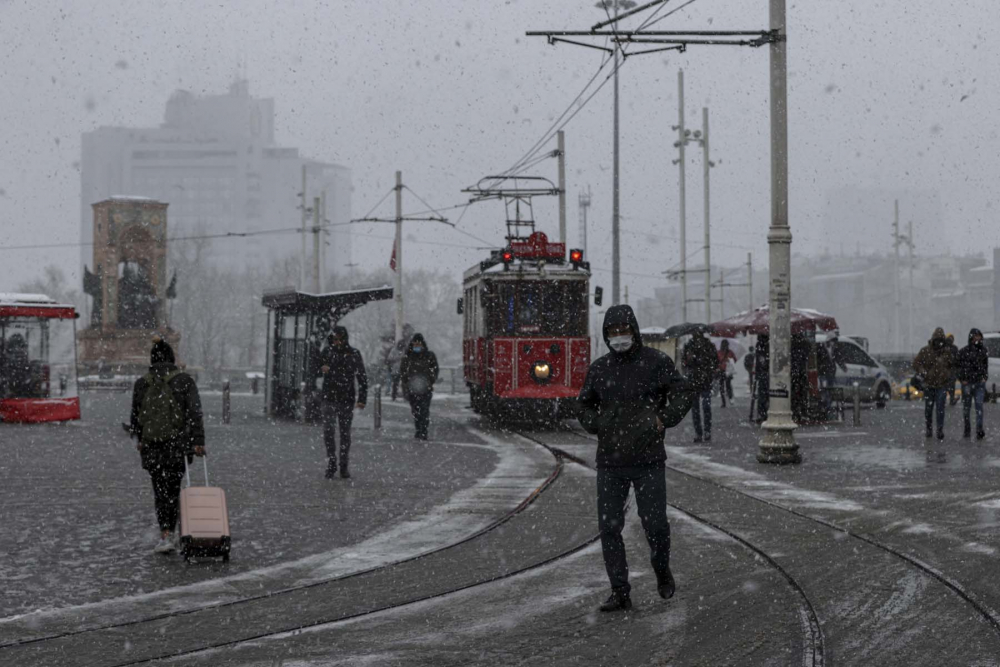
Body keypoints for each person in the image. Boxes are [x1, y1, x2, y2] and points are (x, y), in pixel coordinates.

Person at [577, 305, 694, 613]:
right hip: (610, 463)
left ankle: (661, 567)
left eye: (623, 331)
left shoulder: (656, 363)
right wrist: (596, 423)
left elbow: (682, 392)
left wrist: (663, 418)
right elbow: (583, 405)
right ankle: (619, 590)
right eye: (612, 333)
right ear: (606, 336)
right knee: (609, 528)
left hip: (648, 460)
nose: (619, 338)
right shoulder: (600, 369)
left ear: (634, 330)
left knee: (655, 524)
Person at [128, 340, 205, 554]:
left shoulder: (142, 383)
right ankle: (179, 530)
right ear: (172, 358)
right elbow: (195, 414)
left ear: (152, 359)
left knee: (160, 491)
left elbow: (135, 418)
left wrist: (140, 440)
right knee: (174, 487)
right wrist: (198, 442)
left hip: (152, 447)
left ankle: (166, 534)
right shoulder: (184, 381)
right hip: (177, 447)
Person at [316, 326, 367, 479]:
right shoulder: (327, 352)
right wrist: (321, 369)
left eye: (340, 339)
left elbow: (361, 377)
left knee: (345, 434)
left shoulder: (353, 354)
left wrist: (362, 399)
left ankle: (343, 464)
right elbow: (315, 370)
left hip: (345, 398)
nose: (337, 342)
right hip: (329, 397)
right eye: (335, 339)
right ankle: (332, 462)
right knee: (329, 432)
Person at [913, 327, 956, 440]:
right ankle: (929, 428)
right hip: (929, 385)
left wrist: (947, 375)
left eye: (941, 340)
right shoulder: (925, 351)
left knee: (940, 409)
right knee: (929, 409)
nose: (939, 343)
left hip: (941, 385)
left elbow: (952, 365)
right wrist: (923, 372)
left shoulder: (947, 352)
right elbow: (916, 363)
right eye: (937, 340)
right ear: (933, 340)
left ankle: (939, 430)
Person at [400, 333, 440, 440]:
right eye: (415, 344)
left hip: (425, 389)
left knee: (424, 410)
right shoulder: (408, 357)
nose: (417, 346)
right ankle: (418, 429)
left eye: (419, 344)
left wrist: (430, 380)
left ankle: (423, 430)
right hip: (412, 389)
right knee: (416, 411)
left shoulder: (429, 356)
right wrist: (406, 386)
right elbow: (403, 373)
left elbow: (435, 370)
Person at [682, 331, 718, 442]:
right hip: (696, 380)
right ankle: (701, 433)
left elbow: (715, 361)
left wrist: (706, 365)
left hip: (703, 379)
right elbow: (685, 363)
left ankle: (704, 432)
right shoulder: (689, 346)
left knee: (703, 407)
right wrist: (690, 360)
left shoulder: (708, 346)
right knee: (698, 408)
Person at [957, 328, 988, 440]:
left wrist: (985, 377)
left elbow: (985, 366)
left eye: (979, 336)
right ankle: (967, 428)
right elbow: (958, 366)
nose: (978, 338)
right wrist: (962, 379)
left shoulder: (983, 350)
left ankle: (979, 429)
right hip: (968, 383)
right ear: (971, 337)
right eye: (976, 336)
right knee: (967, 408)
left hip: (979, 382)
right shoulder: (964, 351)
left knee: (979, 406)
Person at [753, 335, 770, 423]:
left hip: (762, 373)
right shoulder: (765, 345)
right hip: (766, 373)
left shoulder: (759, 346)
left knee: (762, 394)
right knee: (765, 394)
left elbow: (760, 361)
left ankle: (762, 413)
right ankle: (764, 413)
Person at [716, 340, 737, 407]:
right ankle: (730, 398)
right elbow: (735, 360)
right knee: (728, 386)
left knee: (722, 386)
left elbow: (715, 361)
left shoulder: (718, 352)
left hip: (722, 370)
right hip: (726, 371)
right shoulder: (730, 352)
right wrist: (729, 360)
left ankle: (724, 402)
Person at [946, 334, 960, 406]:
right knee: (949, 386)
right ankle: (951, 399)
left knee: (951, 386)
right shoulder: (946, 348)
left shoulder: (953, 348)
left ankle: (951, 399)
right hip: (948, 371)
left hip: (951, 371)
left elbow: (957, 360)